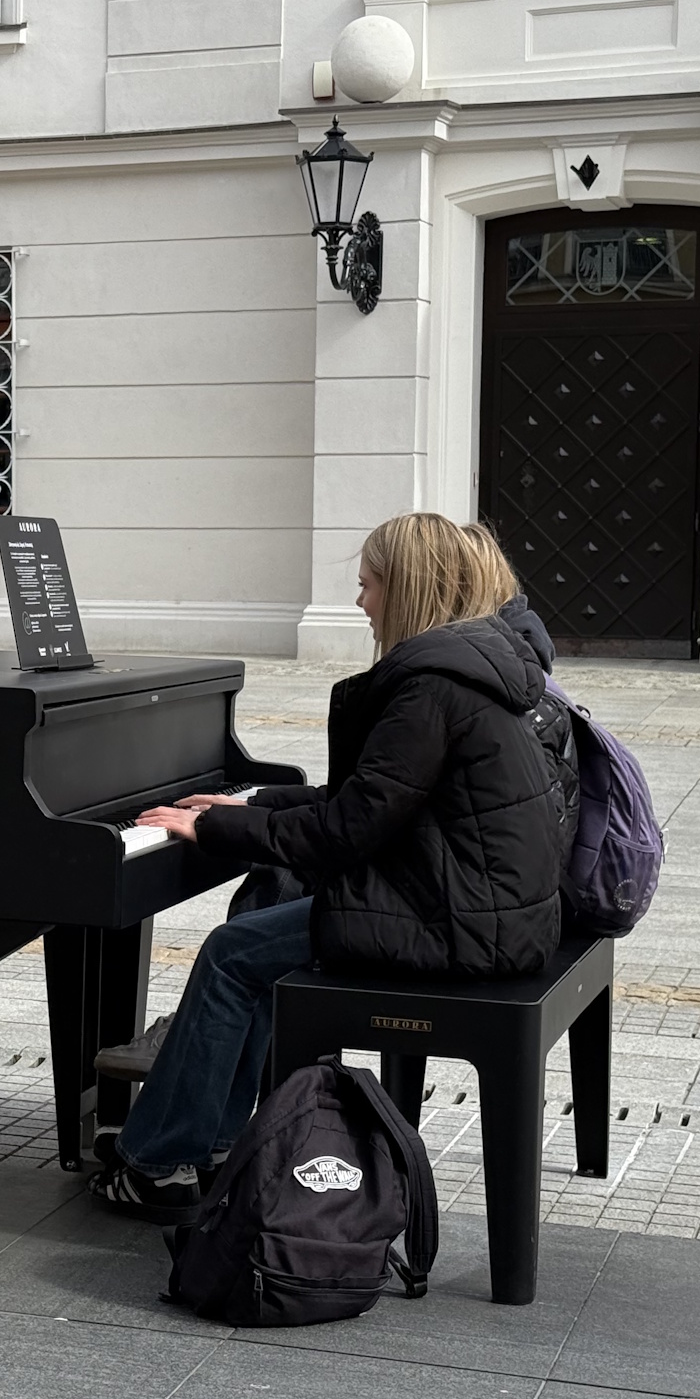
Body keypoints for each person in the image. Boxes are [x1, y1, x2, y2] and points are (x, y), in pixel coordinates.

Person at [88, 513, 570, 1223]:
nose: (360, 601)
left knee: (230, 954)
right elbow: (375, 799)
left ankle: (156, 1163)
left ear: (405, 588)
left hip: (456, 923)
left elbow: (347, 830)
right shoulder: (470, 670)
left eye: (368, 584)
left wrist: (216, 827)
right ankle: (210, 1138)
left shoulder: (430, 689)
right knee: (268, 896)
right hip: (479, 903)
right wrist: (254, 803)